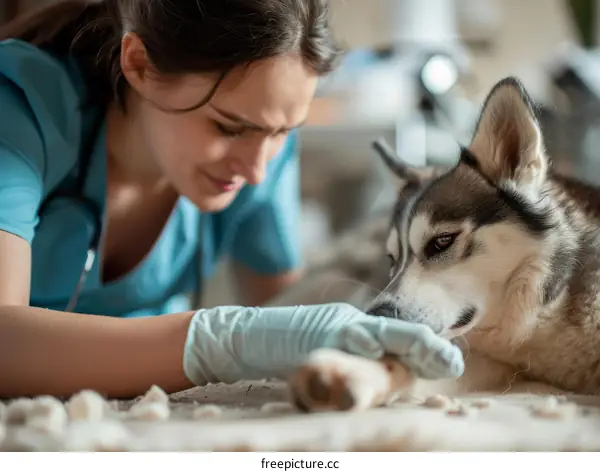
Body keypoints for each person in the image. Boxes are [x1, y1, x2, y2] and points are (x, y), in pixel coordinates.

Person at [0, 0, 464, 399]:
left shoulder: (262, 159)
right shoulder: (20, 107)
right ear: (140, 65)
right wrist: (222, 341)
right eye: (229, 127)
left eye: (282, 132)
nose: (257, 169)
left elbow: (288, 317)